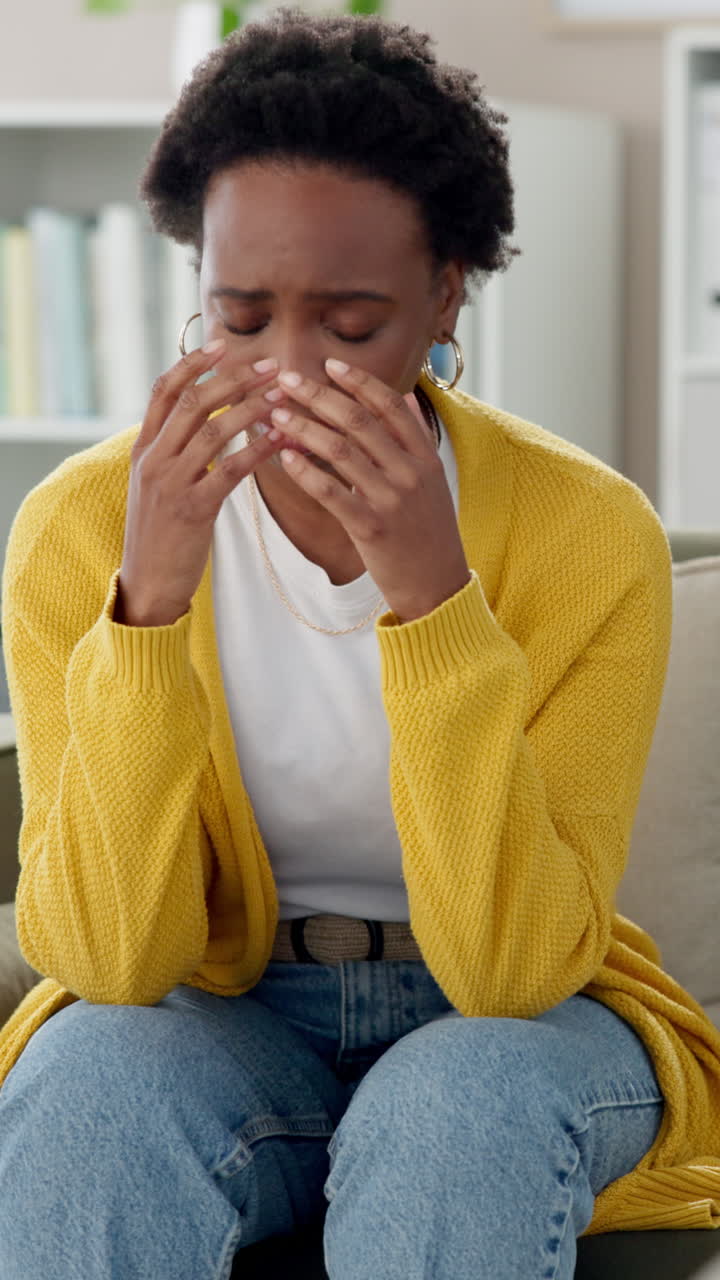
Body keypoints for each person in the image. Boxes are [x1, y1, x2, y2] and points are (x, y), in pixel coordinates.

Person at [0, 6, 719, 1278]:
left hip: (524, 1024)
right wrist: (150, 605)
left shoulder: (587, 533)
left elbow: (512, 970)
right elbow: (110, 958)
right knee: (90, 1081)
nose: (285, 378)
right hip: (228, 1009)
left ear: (446, 292)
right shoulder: (76, 532)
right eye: (238, 318)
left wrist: (435, 598)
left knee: (458, 1101)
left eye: (347, 328)